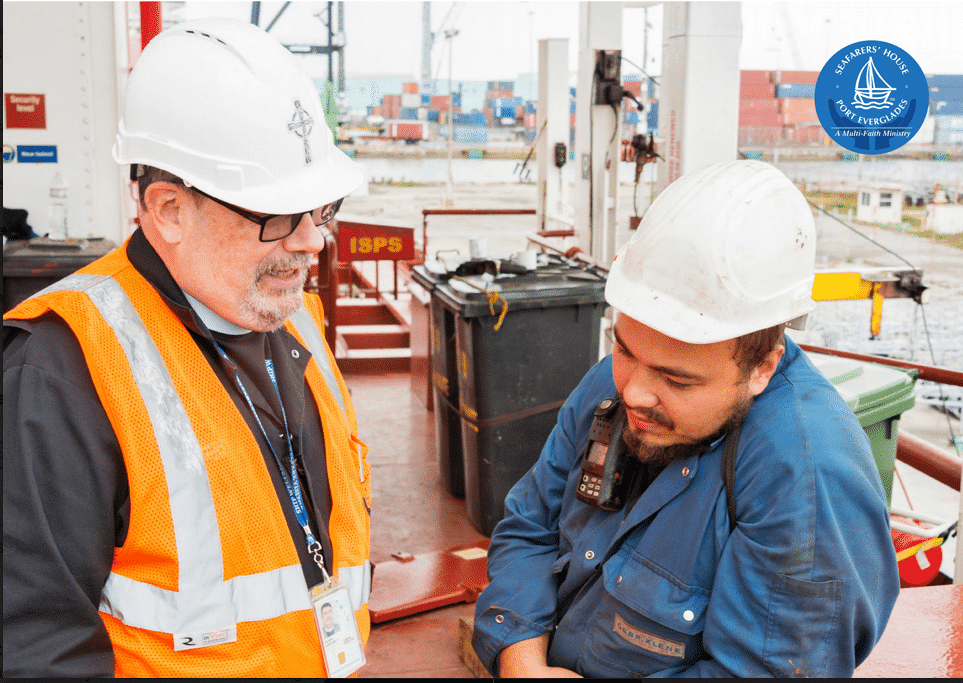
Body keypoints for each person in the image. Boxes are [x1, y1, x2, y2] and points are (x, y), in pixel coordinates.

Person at [3, 19, 371, 677]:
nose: (313, 241)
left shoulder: (289, 320)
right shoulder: (61, 372)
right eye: (278, 215)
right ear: (168, 209)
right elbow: (38, 651)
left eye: (323, 209)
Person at [472, 160, 900, 678]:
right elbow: (530, 525)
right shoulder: (610, 384)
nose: (633, 393)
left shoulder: (804, 479)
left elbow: (771, 671)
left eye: (677, 380)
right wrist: (522, 661)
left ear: (761, 368)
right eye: (624, 349)